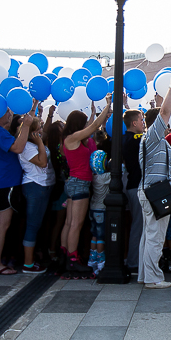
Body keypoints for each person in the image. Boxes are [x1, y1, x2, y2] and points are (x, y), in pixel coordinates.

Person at [137, 73, 171, 288]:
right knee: (155, 236)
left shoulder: (153, 140)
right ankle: (153, 278)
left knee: (149, 235)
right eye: (163, 122)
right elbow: (164, 111)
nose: (167, 123)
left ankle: (145, 275)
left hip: (152, 190)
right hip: (157, 192)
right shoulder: (153, 137)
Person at [59, 101, 111, 273]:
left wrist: (93, 113)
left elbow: (90, 127)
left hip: (73, 182)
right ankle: (73, 259)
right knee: (76, 223)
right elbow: (95, 126)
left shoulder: (70, 139)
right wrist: (108, 106)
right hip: (80, 182)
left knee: (69, 222)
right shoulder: (72, 139)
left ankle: (65, 255)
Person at [0, 109, 32, 275]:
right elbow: (18, 147)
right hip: (6, 183)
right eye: (7, 112)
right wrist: (26, 126)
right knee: (1, 225)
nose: (10, 114)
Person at [17, 116, 54, 274]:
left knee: (38, 224)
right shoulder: (27, 147)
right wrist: (40, 143)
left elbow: (45, 133)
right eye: (38, 128)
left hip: (43, 186)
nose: (41, 131)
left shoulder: (35, 141)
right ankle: (28, 264)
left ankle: (34, 257)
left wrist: (47, 113)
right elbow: (42, 163)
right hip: (34, 186)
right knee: (32, 225)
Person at [122, 109, 146, 272]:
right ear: (134, 123)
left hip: (133, 185)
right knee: (139, 225)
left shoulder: (124, 139)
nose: (143, 123)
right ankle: (133, 263)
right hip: (136, 185)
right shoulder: (135, 139)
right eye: (141, 120)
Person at [87, 145, 111, 276]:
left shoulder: (94, 177)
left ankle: (92, 258)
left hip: (93, 208)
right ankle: (101, 260)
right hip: (102, 210)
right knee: (101, 235)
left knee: (94, 234)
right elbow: (118, 174)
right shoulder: (105, 177)